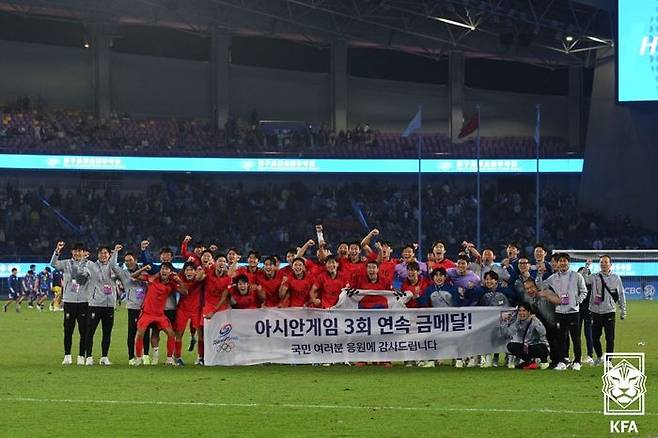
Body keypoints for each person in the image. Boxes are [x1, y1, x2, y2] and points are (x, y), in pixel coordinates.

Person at [538, 253, 588, 371]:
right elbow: (541, 286)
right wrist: (540, 275)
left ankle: (577, 361)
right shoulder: (554, 277)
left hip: (573, 312)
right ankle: (562, 361)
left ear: (568, 262)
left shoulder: (576, 276)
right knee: (560, 338)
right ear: (558, 263)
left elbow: (584, 291)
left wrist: (577, 302)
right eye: (560, 261)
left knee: (575, 338)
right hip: (560, 312)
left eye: (565, 261)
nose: (563, 263)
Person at [133, 262, 187, 366]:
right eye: (162, 268)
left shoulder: (172, 284)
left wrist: (180, 281)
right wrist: (144, 267)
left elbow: (185, 292)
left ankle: (169, 358)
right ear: (160, 270)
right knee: (140, 333)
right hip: (147, 313)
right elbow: (134, 276)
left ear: (170, 272)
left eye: (167, 269)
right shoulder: (152, 279)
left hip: (160, 315)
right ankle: (139, 358)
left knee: (171, 334)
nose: (164, 271)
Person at [81, 245, 124, 366]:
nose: (103, 255)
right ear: (98, 255)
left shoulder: (113, 267)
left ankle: (104, 356)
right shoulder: (91, 266)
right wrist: (83, 262)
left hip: (109, 304)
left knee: (107, 332)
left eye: (106, 253)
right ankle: (88, 356)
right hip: (95, 304)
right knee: (90, 331)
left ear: (109, 255)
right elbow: (81, 276)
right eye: (101, 253)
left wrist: (115, 253)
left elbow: (119, 273)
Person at [51, 241, 89, 366]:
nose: (78, 253)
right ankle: (67, 355)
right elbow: (53, 264)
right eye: (76, 250)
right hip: (69, 301)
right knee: (68, 330)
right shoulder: (66, 263)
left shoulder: (89, 265)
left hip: (84, 301)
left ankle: (80, 356)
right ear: (72, 252)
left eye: (80, 251)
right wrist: (57, 251)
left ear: (84, 253)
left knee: (83, 331)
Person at [586, 255, 627, 365]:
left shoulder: (616, 278)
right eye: (601, 262)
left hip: (609, 311)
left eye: (606, 262)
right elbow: (583, 279)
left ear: (610, 264)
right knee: (594, 337)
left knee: (610, 338)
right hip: (595, 311)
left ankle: (608, 360)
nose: (603, 264)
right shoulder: (594, 277)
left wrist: (623, 310)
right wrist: (586, 267)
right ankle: (599, 357)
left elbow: (621, 294)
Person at [111, 249, 147, 365]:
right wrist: (115, 252)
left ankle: (145, 356)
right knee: (132, 332)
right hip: (132, 307)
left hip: (146, 307)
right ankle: (131, 357)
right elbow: (112, 265)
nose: (127, 262)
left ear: (135, 260)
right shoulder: (123, 273)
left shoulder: (145, 272)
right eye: (126, 261)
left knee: (146, 332)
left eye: (130, 260)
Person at [173, 262, 206, 366]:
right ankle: (177, 357)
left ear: (195, 271)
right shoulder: (178, 281)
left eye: (191, 270)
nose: (189, 272)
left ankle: (201, 357)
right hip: (182, 309)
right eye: (187, 270)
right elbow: (184, 292)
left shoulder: (200, 280)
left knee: (201, 335)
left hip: (197, 310)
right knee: (179, 334)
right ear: (184, 271)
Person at [504, 302, 550, 369]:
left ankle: (543, 361)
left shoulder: (534, 320)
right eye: (519, 311)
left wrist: (535, 320)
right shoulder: (518, 321)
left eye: (524, 311)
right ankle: (529, 361)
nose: (521, 313)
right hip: (525, 347)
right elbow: (509, 333)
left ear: (529, 312)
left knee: (541, 348)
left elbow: (543, 332)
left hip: (536, 345)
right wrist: (507, 321)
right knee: (510, 346)